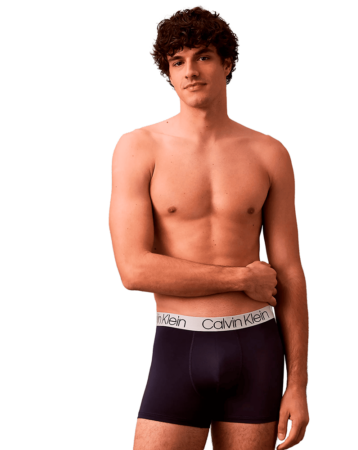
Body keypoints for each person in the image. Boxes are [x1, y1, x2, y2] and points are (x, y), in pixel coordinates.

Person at [109, 6, 309, 450]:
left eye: (202, 57)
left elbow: (290, 271)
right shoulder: (139, 148)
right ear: (168, 72)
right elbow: (133, 269)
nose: (190, 71)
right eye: (177, 61)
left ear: (227, 64)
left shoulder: (269, 153)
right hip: (178, 345)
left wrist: (298, 382)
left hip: (257, 348)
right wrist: (240, 278)